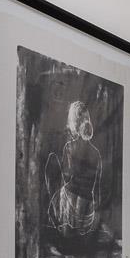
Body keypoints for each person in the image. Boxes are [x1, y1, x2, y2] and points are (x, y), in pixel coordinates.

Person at [45, 100, 102, 235]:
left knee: (52, 160)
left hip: (70, 207)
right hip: (87, 213)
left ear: (74, 123)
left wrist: (58, 169)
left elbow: (66, 177)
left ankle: (62, 225)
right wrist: (96, 212)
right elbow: (97, 188)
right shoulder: (96, 153)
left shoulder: (69, 147)